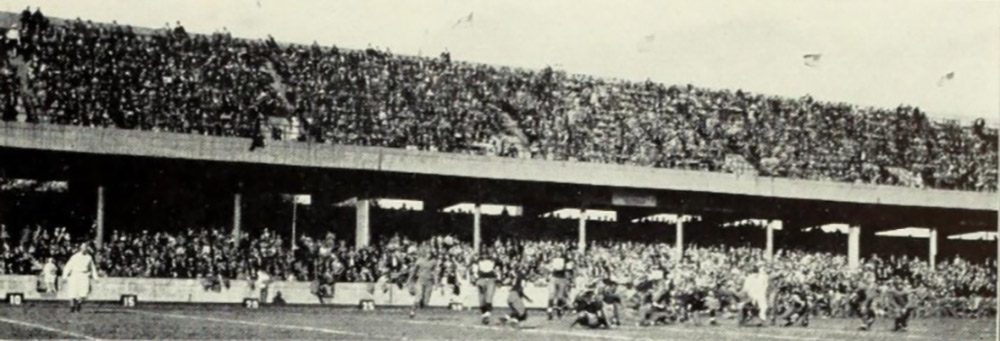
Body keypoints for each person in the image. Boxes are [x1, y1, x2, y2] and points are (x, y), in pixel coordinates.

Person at [63, 243, 98, 313]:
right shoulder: (74, 257)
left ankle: (79, 304)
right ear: (80, 248)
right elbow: (68, 266)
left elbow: (92, 268)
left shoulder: (89, 257)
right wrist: (65, 276)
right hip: (74, 275)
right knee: (72, 292)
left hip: (84, 275)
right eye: (83, 247)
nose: (84, 249)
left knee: (84, 292)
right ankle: (72, 306)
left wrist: (95, 277)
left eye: (86, 248)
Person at [407, 247, 439, 318]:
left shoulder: (434, 262)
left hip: (429, 282)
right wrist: (409, 279)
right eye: (427, 253)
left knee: (426, 302)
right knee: (418, 296)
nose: (429, 255)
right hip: (420, 280)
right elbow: (414, 271)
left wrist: (436, 283)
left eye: (430, 254)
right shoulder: (420, 261)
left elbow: (435, 273)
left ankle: (422, 302)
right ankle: (412, 311)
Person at [471, 247, 500, 325]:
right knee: (481, 300)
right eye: (483, 254)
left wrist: (498, 277)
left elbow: (497, 269)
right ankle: (484, 315)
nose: (485, 256)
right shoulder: (477, 261)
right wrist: (476, 279)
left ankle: (487, 315)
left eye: (486, 254)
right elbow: (474, 271)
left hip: (491, 279)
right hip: (481, 279)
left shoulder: (493, 261)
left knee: (489, 298)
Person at [500, 264, 532, 328]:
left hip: (510, 296)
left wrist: (527, 298)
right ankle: (514, 322)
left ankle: (506, 318)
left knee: (516, 312)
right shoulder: (522, 276)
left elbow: (509, 281)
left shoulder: (517, 276)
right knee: (523, 313)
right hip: (515, 295)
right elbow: (520, 289)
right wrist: (527, 298)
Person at [546, 250, 574, 320]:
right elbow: (548, 267)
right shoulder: (552, 259)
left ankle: (558, 311)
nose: (558, 253)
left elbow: (570, 269)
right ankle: (549, 311)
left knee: (560, 296)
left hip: (562, 278)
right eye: (557, 252)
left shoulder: (566, 259)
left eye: (560, 252)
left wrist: (569, 276)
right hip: (554, 277)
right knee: (551, 294)